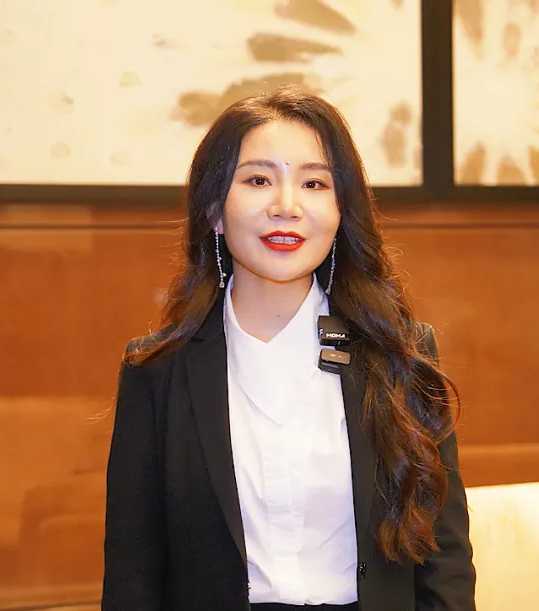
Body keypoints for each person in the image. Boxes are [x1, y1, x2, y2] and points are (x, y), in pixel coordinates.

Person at [102, 87, 475, 611]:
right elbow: (132, 576)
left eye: (314, 183)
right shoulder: (157, 371)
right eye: (258, 180)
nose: (286, 207)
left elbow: (444, 557)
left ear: (341, 209)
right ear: (214, 210)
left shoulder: (399, 355)